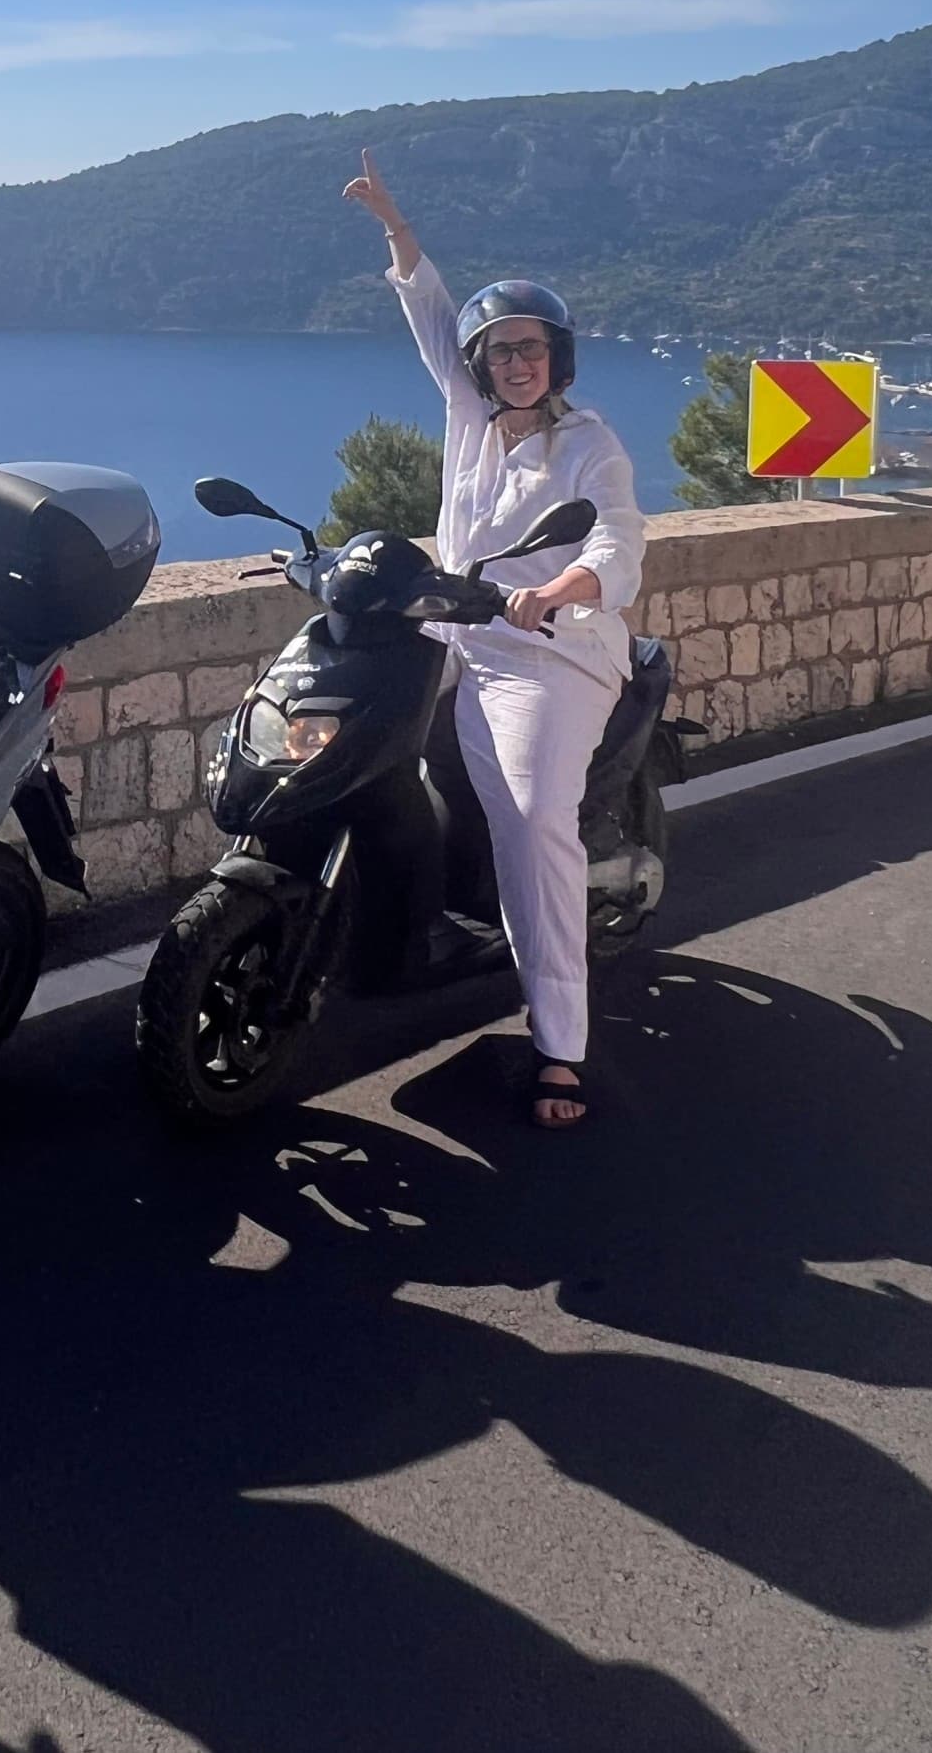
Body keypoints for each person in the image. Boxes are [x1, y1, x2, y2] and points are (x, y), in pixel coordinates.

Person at [343, 148, 643, 1128]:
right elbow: (428, 314)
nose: (516, 363)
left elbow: (614, 536)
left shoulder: (587, 441)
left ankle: (558, 1038)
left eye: (532, 349)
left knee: (528, 827)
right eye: (500, 351)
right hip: (454, 633)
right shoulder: (468, 416)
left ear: (556, 359)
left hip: (549, 658)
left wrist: (556, 589)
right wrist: (395, 228)